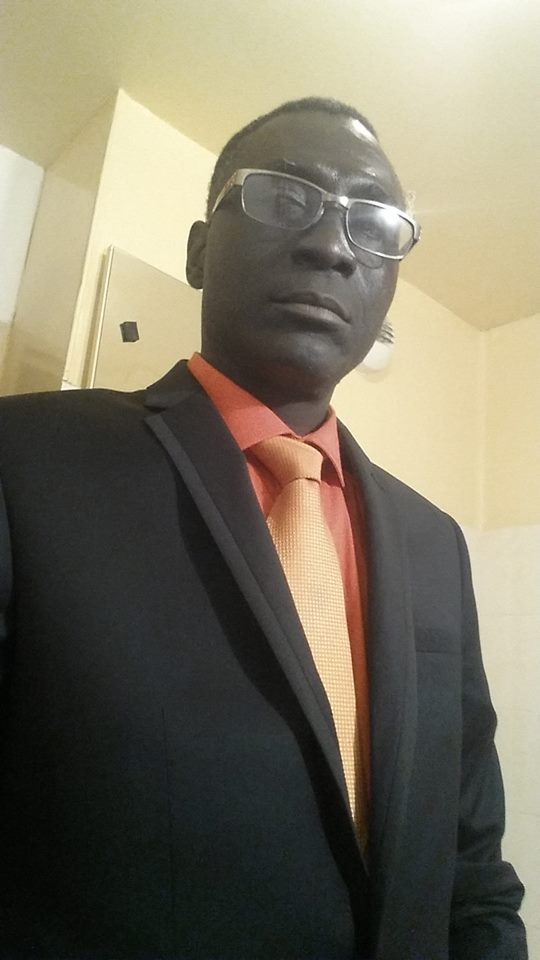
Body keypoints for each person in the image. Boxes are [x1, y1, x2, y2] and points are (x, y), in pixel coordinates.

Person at [0, 97, 526, 960]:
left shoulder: (435, 542)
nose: (333, 247)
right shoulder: (27, 462)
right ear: (199, 251)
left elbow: (472, 867)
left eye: (373, 223)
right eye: (285, 197)